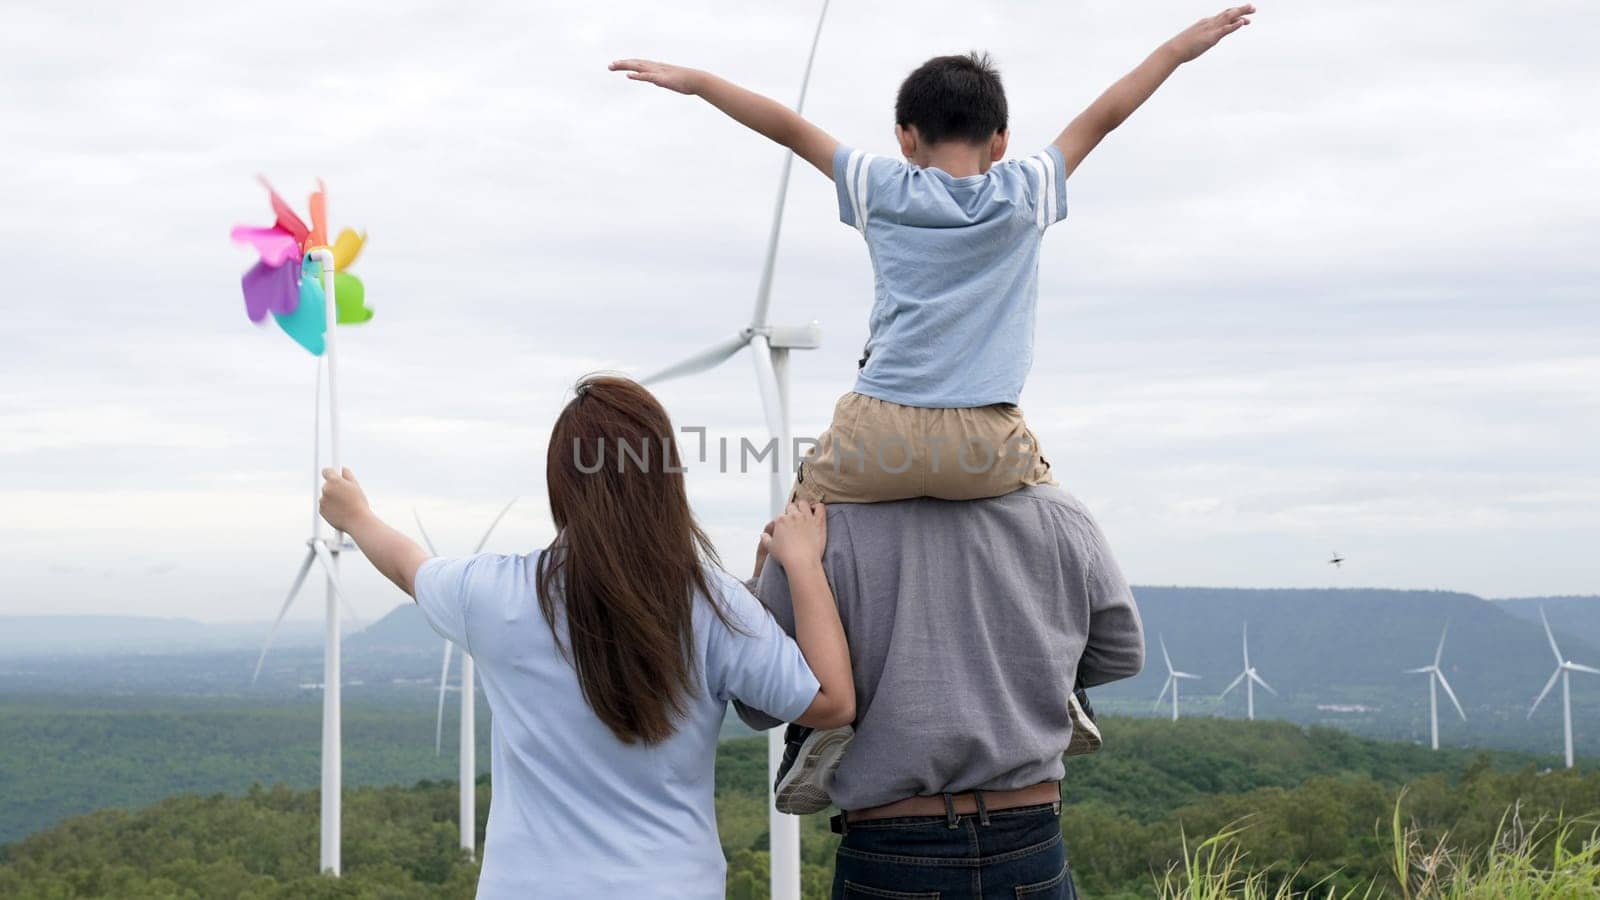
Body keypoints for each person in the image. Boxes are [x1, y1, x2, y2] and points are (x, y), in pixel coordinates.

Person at [611, 5, 1255, 504]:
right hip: (986, 440)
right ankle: (1075, 670)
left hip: (876, 432)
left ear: (905, 138)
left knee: (790, 534)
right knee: (1061, 532)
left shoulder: (881, 185)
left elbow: (787, 126)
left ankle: (777, 652)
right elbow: (1105, 116)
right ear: (1000, 141)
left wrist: (695, 81)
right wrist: (1177, 50)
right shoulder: (1026, 190)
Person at [316, 375, 855, 899]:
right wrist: (802, 564)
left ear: (561, 485)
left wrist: (356, 515)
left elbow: (409, 566)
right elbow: (831, 701)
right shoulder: (713, 603)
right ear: (665, 476)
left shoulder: (494, 593)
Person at [740, 487, 1144, 898]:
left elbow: (759, 704)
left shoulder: (818, 527)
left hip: (892, 849)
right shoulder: (1059, 513)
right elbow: (1121, 654)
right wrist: (1027, 676)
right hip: (1031, 835)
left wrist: (761, 585)